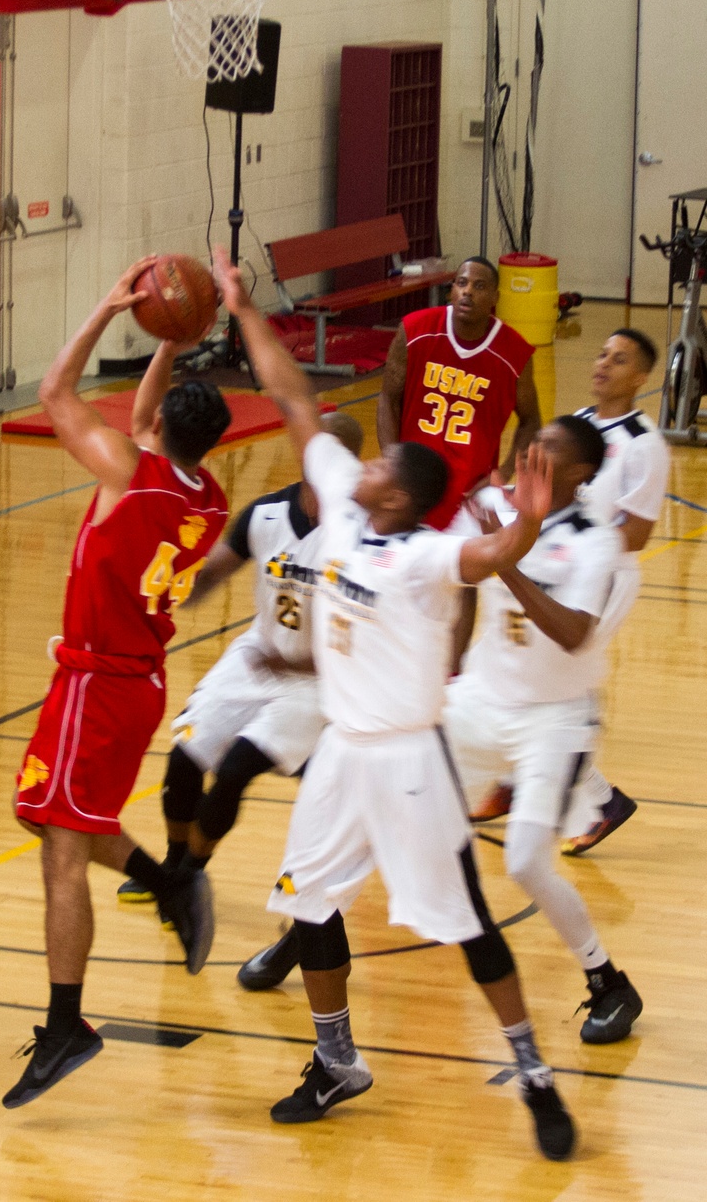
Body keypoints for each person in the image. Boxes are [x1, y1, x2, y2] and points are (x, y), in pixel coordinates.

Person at [214, 250, 575, 1161]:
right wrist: (241, 306)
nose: (359, 466)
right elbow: (294, 397)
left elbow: (489, 561)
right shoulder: (341, 508)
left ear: (404, 496)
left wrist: (526, 519)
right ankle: (336, 1059)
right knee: (306, 901)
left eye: (379, 469)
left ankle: (532, 1072)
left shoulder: (419, 558)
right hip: (342, 753)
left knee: (469, 928)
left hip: (410, 761)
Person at [4, 259, 232, 1111]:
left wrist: (108, 310)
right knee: (41, 814)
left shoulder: (127, 475)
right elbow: (146, 417)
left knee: (62, 851)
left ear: (159, 429)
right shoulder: (203, 494)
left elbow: (56, 392)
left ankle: (68, 1024)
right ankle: (170, 881)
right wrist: (172, 342)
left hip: (98, 684)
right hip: (126, 684)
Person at [115, 411, 364, 914]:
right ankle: (172, 863)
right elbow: (209, 575)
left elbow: (363, 640)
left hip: (317, 678)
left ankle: (188, 879)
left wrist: (302, 666)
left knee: (234, 769)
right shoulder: (266, 513)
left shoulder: (359, 536)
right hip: (258, 653)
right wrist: (169, 588)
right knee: (185, 754)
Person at [444, 416, 643, 1044]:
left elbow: (573, 631)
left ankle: (608, 982)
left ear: (582, 473)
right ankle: (310, 939)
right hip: (477, 699)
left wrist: (506, 557)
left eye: (554, 448)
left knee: (527, 863)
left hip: (554, 719)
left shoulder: (596, 542)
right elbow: (455, 577)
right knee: (384, 799)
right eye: (536, 442)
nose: (536, 451)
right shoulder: (489, 505)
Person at [472, 328, 670, 853]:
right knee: (523, 668)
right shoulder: (577, 425)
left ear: (641, 377)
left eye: (620, 358)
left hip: (600, 574)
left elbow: (639, 531)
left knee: (559, 678)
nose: (604, 363)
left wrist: (574, 543)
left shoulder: (646, 444)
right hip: (549, 558)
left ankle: (602, 801)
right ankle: (515, 781)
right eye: (603, 353)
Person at [376, 257, 541, 530]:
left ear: (494, 297)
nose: (468, 292)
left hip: (469, 495)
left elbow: (531, 421)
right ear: (451, 289)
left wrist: (504, 472)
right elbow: (388, 399)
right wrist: (392, 463)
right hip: (410, 485)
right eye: (462, 283)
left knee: (467, 569)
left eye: (479, 286)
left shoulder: (514, 353)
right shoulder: (414, 330)